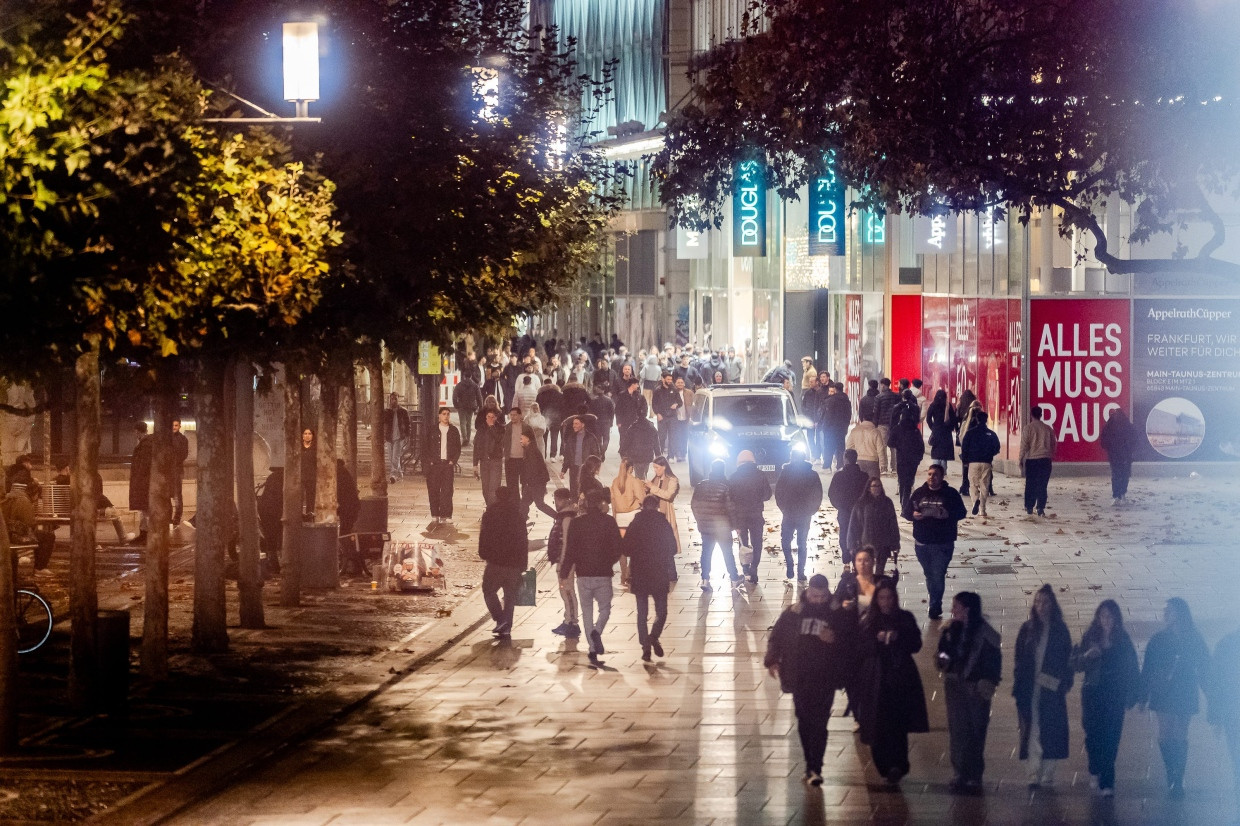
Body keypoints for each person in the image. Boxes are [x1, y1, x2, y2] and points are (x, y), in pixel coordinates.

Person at [764, 574, 851, 787]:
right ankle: (809, 763)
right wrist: (773, 660)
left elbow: (851, 640)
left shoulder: (837, 613)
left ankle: (815, 767)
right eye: (814, 596)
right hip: (799, 675)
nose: (818, 600)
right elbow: (778, 637)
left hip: (825, 677)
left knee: (820, 722)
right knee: (803, 720)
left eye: (822, 596)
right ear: (808, 592)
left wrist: (835, 639)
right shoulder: (794, 613)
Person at [856, 580, 929, 785]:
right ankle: (884, 765)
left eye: (889, 598)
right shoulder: (869, 620)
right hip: (875, 679)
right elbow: (860, 648)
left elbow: (916, 644)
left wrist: (898, 637)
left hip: (899, 679)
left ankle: (898, 764)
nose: (886, 602)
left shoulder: (904, 618)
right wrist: (876, 640)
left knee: (897, 724)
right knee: (877, 724)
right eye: (882, 598)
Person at [1140, 597, 1211, 799]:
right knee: (1165, 732)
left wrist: (1210, 692)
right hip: (1164, 691)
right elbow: (1148, 668)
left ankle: (1177, 779)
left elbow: (1204, 666)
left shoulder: (1193, 638)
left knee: (1180, 731)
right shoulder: (1159, 639)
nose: (1165, 615)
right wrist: (1143, 694)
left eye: (1169, 611)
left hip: (1185, 690)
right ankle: (1172, 772)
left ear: (1180, 614)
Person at [1071, 599, 1140, 797]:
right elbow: (1075, 664)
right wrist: (1087, 656)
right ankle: (1094, 768)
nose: (1106, 620)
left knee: (1111, 736)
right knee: (1093, 734)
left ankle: (1107, 779)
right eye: (1102, 616)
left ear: (1116, 618)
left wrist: (1133, 695)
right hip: (1093, 694)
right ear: (1098, 618)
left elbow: (1132, 668)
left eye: (1110, 616)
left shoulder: (1123, 640)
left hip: (1114, 696)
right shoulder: (1090, 637)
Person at [937, 591, 1002, 795]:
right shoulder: (950, 630)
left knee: (975, 731)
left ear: (967, 610)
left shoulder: (987, 634)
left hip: (976, 689)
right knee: (957, 730)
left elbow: (993, 663)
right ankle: (959, 773)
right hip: (954, 686)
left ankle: (974, 775)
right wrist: (943, 659)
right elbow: (941, 653)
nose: (952, 611)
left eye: (956, 607)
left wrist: (987, 683)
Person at [1013, 583, 1074, 788]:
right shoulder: (1027, 629)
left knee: (1051, 730)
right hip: (1030, 688)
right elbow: (1019, 659)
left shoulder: (1060, 631)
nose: (1041, 606)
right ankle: (1033, 772)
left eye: (1045, 602)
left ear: (1052, 605)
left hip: (1051, 689)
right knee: (1032, 729)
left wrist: (1062, 683)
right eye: (1037, 602)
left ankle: (1048, 772)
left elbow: (1067, 661)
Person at [560, 488, 622, 665]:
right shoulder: (609, 522)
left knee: (587, 612)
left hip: (583, 575)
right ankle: (598, 630)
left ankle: (592, 648)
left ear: (586, 504)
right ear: (601, 503)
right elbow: (618, 548)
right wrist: (609, 562)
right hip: (603, 574)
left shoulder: (577, 523)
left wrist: (564, 573)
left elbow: (570, 551)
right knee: (605, 609)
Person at [902, 462, 967, 620]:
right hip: (922, 543)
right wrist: (913, 515)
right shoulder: (919, 493)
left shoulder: (950, 494)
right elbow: (906, 511)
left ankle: (935, 605)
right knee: (929, 574)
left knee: (937, 574)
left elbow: (961, 512)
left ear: (942, 477)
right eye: (930, 474)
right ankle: (935, 599)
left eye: (935, 475)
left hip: (942, 543)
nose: (932, 478)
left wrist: (947, 514)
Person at [624, 495, 678, 662]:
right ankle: (653, 636)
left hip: (640, 573)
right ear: (656, 506)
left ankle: (645, 645)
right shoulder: (662, 523)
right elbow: (673, 548)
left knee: (642, 612)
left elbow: (625, 548)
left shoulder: (635, 524)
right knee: (661, 611)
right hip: (659, 573)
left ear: (643, 506)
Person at [478, 486, 528, 638]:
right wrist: (523, 564)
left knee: (488, 590)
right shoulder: (518, 515)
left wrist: (483, 553)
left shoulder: (490, 514)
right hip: (514, 563)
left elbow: (484, 536)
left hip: (496, 561)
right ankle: (507, 625)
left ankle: (500, 619)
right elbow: (523, 541)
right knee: (510, 595)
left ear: (497, 496)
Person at [690, 460, 741, 590]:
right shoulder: (725, 487)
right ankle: (734, 578)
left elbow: (694, 505)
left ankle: (705, 579)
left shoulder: (701, 486)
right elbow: (731, 509)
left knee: (706, 553)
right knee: (727, 553)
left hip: (706, 528)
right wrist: (735, 526)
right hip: (722, 528)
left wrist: (700, 520)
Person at [774, 450, 822, 585]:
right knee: (802, 544)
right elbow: (818, 494)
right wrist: (812, 510)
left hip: (790, 513)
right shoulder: (812, 474)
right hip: (803, 514)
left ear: (792, 458)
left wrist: (783, 508)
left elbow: (778, 493)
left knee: (786, 541)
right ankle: (800, 572)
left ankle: (791, 565)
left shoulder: (785, 473)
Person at [1209, 623, 1240, 818]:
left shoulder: (1226, 644)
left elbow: (1216, 683)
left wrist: (1216, 716)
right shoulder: (1227, 645)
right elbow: (1217, 682)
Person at [728, 450, 772, 583]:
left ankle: (745, 567)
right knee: (757, 543)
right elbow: (768, 494)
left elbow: (730, 498)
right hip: (756, 515)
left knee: (743, 543)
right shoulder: (760, 475)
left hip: (740, 517)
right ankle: (754, 568)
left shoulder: (734, 477)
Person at [846, 479, 901, 577]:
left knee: (879, 572)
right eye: (874, 486)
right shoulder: (861, 503)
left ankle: (877, 590)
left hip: (883, 543)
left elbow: (892, 523)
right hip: (865, 542)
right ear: (869, 488)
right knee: (865, 572)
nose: (877, 488)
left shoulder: (887, 502)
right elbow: (854, 524)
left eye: (879, 486)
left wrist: (895, 544)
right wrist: (851, 544)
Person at [546, 488, 581, 639]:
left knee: (567, 590)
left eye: (557, 500)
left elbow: (566, 542)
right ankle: (568, 620)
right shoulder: (565, 516)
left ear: (565, 500)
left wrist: (563, 562)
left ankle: (572, 622)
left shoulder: (567, 518)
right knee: (565, 590)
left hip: (565, 561)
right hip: (563, 560)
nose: (556, 503)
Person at [826, 449, 868, 565]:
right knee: (858, 535)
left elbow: (832, 493)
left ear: (845, 459)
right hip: (859, 512)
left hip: (844, 510)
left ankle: (846, 556)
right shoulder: (864, 476)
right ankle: (856, 558)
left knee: (844, 533)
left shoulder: (839, 475)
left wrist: (839, 506)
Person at [3, 480, 56, 570]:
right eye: (38, 496)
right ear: (35, 494)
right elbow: (30, 524)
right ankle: (40, 568)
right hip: (14, 535)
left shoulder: (11, 495)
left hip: (5, 533)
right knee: (48, 537)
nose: (36, 500)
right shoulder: (24, 501)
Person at [424, 407, 461, 529]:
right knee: (434, 490)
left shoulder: (454, 430)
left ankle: (446, 514)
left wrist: (453, 461)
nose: (446, 416)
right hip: (434, 465)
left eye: (448, 414)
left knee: (447, 490)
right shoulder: (432, 430)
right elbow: (425, 446)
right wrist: (429, 461)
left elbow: (457, 448)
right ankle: (435, 513)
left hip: (447, 465)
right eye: (444, 414)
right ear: (439, 416)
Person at [959, 411, 1001, 518]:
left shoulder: (970, 433)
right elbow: (997, 447)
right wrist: (990, 454)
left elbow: (964, 448)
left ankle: (975, 501)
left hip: (973, 462)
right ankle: (982, 509)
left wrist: (965, 461)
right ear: (986, 420)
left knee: (973, 484)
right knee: (985, 485)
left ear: (976, 419)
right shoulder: (991, 433)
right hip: (986, 462)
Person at [1019, 404, 1057, 516]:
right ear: (1041, 415)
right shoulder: (1048, 428)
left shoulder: (1028, 428)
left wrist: (1020, 459)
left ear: (1032, 415)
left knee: (1030, 484)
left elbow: (1024, 445)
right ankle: (1040, 507)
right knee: (1043, 484)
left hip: (1032, 460)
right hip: (1045, 460)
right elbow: (1054, 444)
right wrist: (1050, 454)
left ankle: (1029, 506)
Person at [1100, 407, 1139, 503]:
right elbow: (1135, 441)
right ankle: (1123, 494)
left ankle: (1116, 496)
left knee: (1116, 475)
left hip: (1114, 456)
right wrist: (1130, 451)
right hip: (1126, 456)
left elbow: (1103, 441)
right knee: (1125, 474)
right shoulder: (1128, 426)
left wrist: (1110, 449)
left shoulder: (1109, 426)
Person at [887, 409, 924, 512]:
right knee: (909, 481)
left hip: (901, 458)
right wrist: (919, 458)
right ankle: (905, 502)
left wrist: (898, 445)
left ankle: (903, 503)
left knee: (902, 480)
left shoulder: (897, 428)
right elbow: (921, 445)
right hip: (913, 460)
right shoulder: (915, 430)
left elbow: (890, 443)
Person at [647, 457, 681, 553]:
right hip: (654, 513)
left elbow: (668, 495)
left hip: (666, 513)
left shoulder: (672, 480)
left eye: (657, 467)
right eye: (654, 468)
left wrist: (652, 487)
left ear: (664, 467)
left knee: (666, 542)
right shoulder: (656, 479)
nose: (655, 470)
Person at [473, 408, 505, 507]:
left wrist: (492, 427)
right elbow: (476, 446)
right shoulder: (481, 429)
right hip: (484, 462)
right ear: (485, 417)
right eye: (488, 417)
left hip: (495, 461)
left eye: (493, 417)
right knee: (485, 489)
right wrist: (475, 464)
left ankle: (492, 511)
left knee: (494, 489)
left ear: (496, 418)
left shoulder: (500, 428)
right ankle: (490, 508)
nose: (490, 419)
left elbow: (499, 440)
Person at [560, 415, 600, 496]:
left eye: (576, 424)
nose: (574, 426)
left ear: (583, 425)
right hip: (574, 468)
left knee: (585, 491)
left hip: (586, 469)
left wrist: (596, 468)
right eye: (573, 424)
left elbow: (596, 454)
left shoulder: (591, 438)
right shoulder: (571, 438)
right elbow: (567, 455)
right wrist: (563, 470)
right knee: (573, 490)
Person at [519, 432, 556, 519]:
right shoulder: (529, 449)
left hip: (536, 482)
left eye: (522, 438)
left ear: (528, 439)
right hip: (533, 482)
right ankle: (521, 520)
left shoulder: (531, 450)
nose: (520, 440)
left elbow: (533, 468)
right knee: (524, 503)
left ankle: (558, 517)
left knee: (540, 505)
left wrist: (531, 483)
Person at [502, 408, 535, 504]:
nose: (513, 417)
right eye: (511, 415)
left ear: (520, 415)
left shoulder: (527, 428)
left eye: (515, 415)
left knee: (525, 483)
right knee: (512, 485)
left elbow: (533, 444)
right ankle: (514, 506)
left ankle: (524, 506)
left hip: (524, 460)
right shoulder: (507, 427)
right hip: (510, 460)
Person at [128, 422, 153, 544]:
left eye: (135, 431)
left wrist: (139, 477)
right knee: (143, 509)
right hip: (143, 480)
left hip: (143, 481)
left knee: (146, 509)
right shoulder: (145, 443)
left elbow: (143, 465)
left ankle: (146, 535)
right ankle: (144, 533)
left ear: (137, 431)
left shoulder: (146, 444)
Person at [819, 382, 852, 470]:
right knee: (840, 447)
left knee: (829, 446)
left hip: (831, 428)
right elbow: (849, 415)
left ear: (836, 389)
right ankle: (840, 465)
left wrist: (824, 427)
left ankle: (827, 465)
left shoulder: (831, 400)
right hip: (842, 428)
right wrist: (846, 426)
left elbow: (828, 416)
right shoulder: (846, 401)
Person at [926, 389, 958, 469]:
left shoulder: (933, 405)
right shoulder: (948, 405)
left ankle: (936, 470)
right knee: (944, 454)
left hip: (937, 430)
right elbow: (953, 418)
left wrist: (933, 427)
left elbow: (928, 418)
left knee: (936, 452)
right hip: (946, 431)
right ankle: (943, 472)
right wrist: (950, 427)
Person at [383, 394, 411, 484]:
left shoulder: (403, 411)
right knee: (391, 457)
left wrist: (407, 435)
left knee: (395, 457)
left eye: (395, 399)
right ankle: (399, 473)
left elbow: (408, 424)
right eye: (392, 399)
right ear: (390, 400)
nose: (394, 401)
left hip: (399, 437)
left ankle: (393, 475)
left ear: (398, 400)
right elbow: (383, 423)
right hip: (389, 437)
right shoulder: (387, 411)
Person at [874, 378, 899, 475]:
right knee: (894, 446)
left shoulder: (878, 397)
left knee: (882, 446)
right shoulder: (896, 396)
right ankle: (894, 467)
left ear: (883, 385)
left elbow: (876, 412)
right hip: (894, 424)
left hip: (882, 423)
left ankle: (883, 467)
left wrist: (875, 424)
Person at [453, 369, 483, 448]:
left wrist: (456, 405)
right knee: (469, 423)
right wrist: (481, 407)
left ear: (463, 376)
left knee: (462, 422)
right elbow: (479, 397)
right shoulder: (475, 385)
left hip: (461, 406)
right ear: (471, 376)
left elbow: (454, 396)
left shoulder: (459, 385)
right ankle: (468, 440)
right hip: (471, 406)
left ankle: (464, 438)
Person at [535, 379, 564, 458]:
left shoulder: (540, 395)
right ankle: (553, 456)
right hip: (556, 418)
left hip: (544, 419)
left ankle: (543, 455)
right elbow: (562, 407)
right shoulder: (560, 394)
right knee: (554, 437)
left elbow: (537, 408)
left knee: (544, 436)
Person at [170, 419, 190, 524]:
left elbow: (184, 454)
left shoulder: (182, 439)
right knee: (172, 494)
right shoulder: (181, 439)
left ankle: (176, 518)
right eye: (173, 425)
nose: (174, 427)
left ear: (179, 426)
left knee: (177, 494)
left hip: (176, 469)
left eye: (176, 425)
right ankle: (173, 518)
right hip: (173, 469)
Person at [587, 388, 616, 458]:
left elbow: (590, 411)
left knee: (598, 439)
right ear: (603, 391)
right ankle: (603, 451)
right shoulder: (609, 400)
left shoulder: (593, 400)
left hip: (597, 422)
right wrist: (611, 422)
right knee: (606, 439)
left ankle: (600, 452)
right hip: (606, 422)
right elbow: (612, 412)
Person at [300, 427, 317, 519]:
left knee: (311, 497)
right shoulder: (298, 448)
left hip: (311, 477)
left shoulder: (315, 448)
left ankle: (310, 515)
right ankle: (298, 515)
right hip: (300, 476)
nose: (307, 436)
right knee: (299, 497)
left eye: (309, 434)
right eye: (305, 433)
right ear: (302, 436)